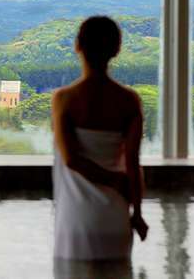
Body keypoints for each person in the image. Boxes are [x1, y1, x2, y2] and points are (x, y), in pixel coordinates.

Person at [52, 16, 148, 263]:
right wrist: (137, 213)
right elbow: (133, 163)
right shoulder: (129, 101)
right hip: (115, 217)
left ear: (77, 46)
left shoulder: (65, 99)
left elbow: (71, 159)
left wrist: (113, 180)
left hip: (76, 220)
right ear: (117, 49)